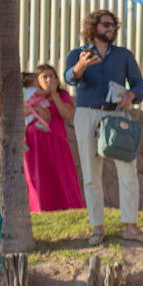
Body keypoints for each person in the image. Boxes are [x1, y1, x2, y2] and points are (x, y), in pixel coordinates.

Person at [64, 9, 143, 247]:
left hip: (117, 115)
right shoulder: (77, 54)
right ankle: (97, 227)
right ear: (93, 27)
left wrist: (132, 94)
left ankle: (130, 226)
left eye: (112, 25)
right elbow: (69, 78)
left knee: (128, 171)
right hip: (87, 113)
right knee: (92, 174)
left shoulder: (123, 55)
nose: (110, 28)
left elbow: (139, 84)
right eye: (105, 24)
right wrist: (81, 65)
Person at [23, 65, 83, 213]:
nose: (49, 79)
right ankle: (39, 209)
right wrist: (36, 109)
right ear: (36, 80)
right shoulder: (29, 95)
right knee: (38, 176)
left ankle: (69, 208)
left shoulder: (62, 96)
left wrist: (54, 94)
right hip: (34, 144)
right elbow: (19, 112)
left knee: (62, 175)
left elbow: (66, 114)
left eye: (52, 76)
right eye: (45, 77)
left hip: (57, 143)